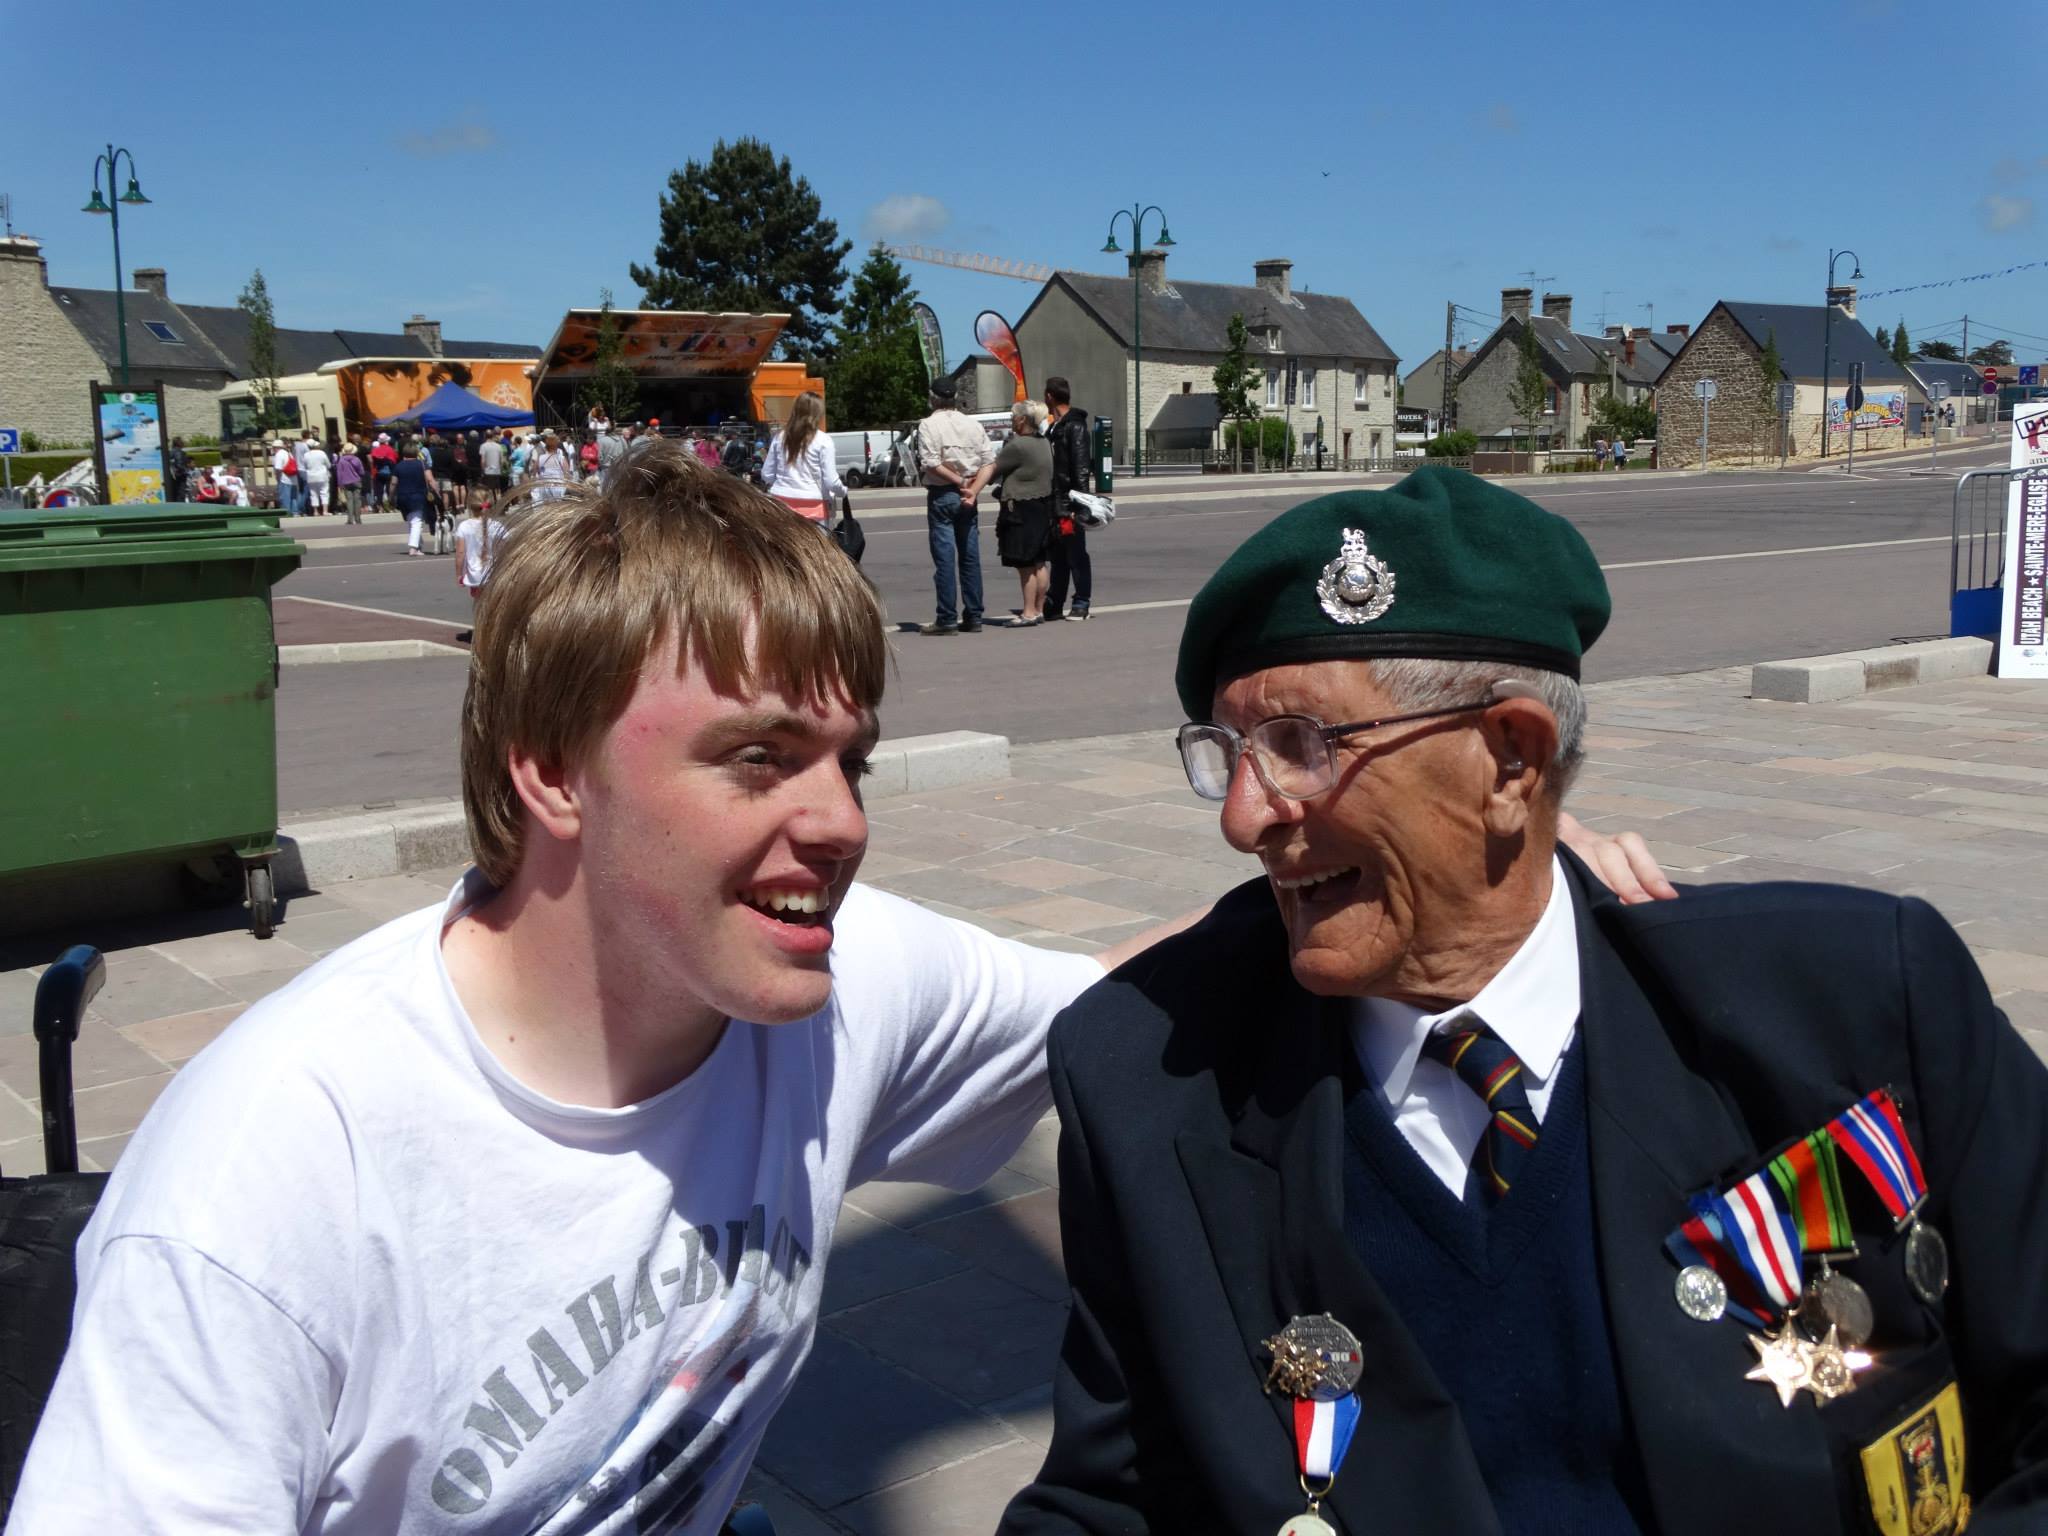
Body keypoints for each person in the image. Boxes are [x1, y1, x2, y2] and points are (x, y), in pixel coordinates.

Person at [999, 467, 2048, 1536]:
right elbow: (1112, 1501)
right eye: (1224, 753)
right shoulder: (1150, 1080)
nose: (1240, 817)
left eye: (1300, 749)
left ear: (1511, 757)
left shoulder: (1853, 998)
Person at [914, 376, 993, 636]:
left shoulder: (928, 425)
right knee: (970, 557)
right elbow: (989, 462)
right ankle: (974, 615)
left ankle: (946, 617)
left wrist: (959, 481)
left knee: (945, 558)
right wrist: (973, 489)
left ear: (933, 397)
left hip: (943, 493)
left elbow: (931, 462)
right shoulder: (972, 425)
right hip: (968, 494)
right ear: (955, 397)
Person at [968, 398, 1055, 625]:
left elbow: (993, 469)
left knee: (1024, 564)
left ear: (1022, 420)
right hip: (1042, 506)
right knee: (1039, 562)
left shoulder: (1017, 446)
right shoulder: (1044, 442)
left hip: (1020, 509)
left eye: (1013, 417)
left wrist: (972, 484)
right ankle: (1038, 609)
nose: (1011, 420)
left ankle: (1027, 613)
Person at [1043, 377, 1094, 623]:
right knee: (1058, 556)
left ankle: (1081, 602)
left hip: (1068, 502)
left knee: (1076, 554)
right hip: (1054, 502)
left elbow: (1081, 468)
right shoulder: (1054, 426)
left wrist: (1080, 506)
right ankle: (1054, 602)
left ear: (1050, 396)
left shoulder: (1075, 426)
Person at [760, 394, 845, 524]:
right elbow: (831, 482)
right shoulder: (823, 440)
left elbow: (767, 474)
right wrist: (843, 491)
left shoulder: (780, 438)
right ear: (817, 413)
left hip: (781, 503)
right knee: (816, 543)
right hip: (813, 505)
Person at [393, 434, 436, 555]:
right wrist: (437, 491)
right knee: (417, 521)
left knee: (411, 520)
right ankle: (413, 547)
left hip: (402, 496)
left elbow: (393, 483)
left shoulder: (398, 466)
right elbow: (430, 479)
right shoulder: (422, 464)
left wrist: (391, 496)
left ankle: (418, 546)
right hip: (418, 495)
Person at [532, 430, 572, 500]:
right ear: (556, 446)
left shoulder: (540, 458)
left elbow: (535, 474)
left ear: (546, 446)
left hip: (544, 489)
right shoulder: (561, 458)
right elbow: (567, 476)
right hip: (558, 490)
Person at [335, 442, 366, 523]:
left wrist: (339, 484)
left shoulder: (341, 460)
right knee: (357, 500)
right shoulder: (356, 459)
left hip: (346, 482)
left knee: (349, 500)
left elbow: (339, 473)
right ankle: (358, 519)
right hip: (356, 481)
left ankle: (350, 519)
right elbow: (362, 471)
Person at [302, 437, 333, 516]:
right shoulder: (321, 453)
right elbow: (328, 464)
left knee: (313, 494)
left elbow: (305, 465)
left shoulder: (306, 455)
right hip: (322, 475)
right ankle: (325, 511)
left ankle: (315, 511)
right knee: (324, 492)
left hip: (311, 476)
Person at [477, 429, 507, 505]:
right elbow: (502, 460)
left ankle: (491, 504)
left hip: (488, 471)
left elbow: (483, 460)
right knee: (498, 489)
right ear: (493, 436)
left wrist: (482, 470)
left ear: (485, 436)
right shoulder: (498, 446)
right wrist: (499, 467)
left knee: (489, 489)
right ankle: (500, 504)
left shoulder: (483, 446)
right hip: (497, 470)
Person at [269, 439, 299, 515]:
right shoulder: (288, 453)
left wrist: (278, 478)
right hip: (293, 479)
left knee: (285, 497)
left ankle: (286, 512)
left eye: (273, 447)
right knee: (293, 497)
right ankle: (295, 512)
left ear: (276, 447)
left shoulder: (279, 455)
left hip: (284, 479)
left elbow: (278, 468)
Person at [370, 433, 398, 510]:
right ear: (386, 441)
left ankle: (380, 506)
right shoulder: (390, 449)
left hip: (378, 472)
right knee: (390, 489)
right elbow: (395, 459)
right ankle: (391, 506)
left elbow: (373, 461)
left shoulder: (375, 450)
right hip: (389, 472)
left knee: (379, 490)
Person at [165, 436, 191, 502]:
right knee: (181, 495)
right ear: (179, 443)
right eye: (182, 442)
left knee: (174, 495)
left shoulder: (170, 452)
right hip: (180, 476)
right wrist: (186, 471)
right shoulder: (179, 452)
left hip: (172, 477)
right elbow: (179, 465)